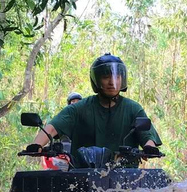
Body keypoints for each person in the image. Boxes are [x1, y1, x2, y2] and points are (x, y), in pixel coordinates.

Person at [27, 54, 161, 163]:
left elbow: (148, 136)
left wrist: (149, 147)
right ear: (97, 80)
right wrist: (37, 145)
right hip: (83, 178)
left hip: (126, 179)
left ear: (122, 79)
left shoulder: (133, 109)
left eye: (116, 77)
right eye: (106, 77)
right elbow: (52, 127)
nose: (112, 82)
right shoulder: (80, 108)